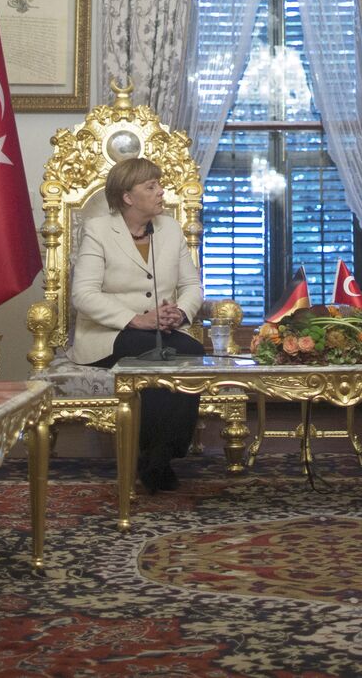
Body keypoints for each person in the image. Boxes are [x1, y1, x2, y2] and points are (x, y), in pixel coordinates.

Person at [73, 156, 205, 494]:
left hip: (164, 332)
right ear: (128, 197)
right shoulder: (99, 230)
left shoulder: (170, 229)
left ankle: (157, 456)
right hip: (110, 334)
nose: (162, 192)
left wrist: (181, 313)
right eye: (151, 186)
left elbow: (192, 285)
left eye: (159, 184)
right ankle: (156, 460)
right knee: (162, 355)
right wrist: (135, 319)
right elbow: (83, 295)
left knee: (190, 351)